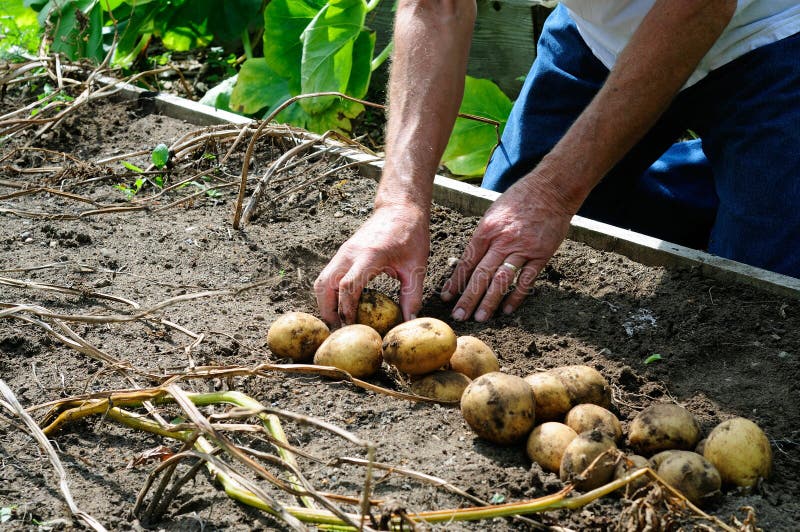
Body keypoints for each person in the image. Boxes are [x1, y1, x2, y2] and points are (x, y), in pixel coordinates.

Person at [314, 0, 800, 327]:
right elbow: (434, 6)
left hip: (770, 31)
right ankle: (731, 184)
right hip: (601, 34)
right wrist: (399, 202)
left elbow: (698, 8)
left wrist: (552, 193)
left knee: (758, 300)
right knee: (501, 212)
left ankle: (755, 182)